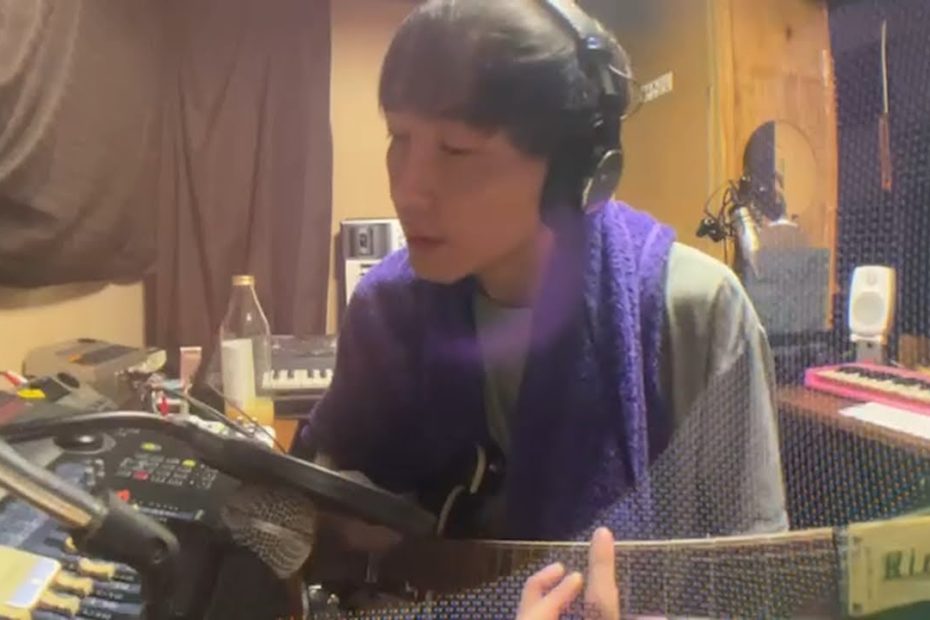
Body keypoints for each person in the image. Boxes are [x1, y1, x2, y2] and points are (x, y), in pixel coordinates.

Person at [294, 0, 787, 609]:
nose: (408, 188)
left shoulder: (694, 311)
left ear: (572, 169)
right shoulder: (385, 311)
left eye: (455, 150)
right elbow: (326, 520)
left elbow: (762, 587)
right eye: (399, 137)